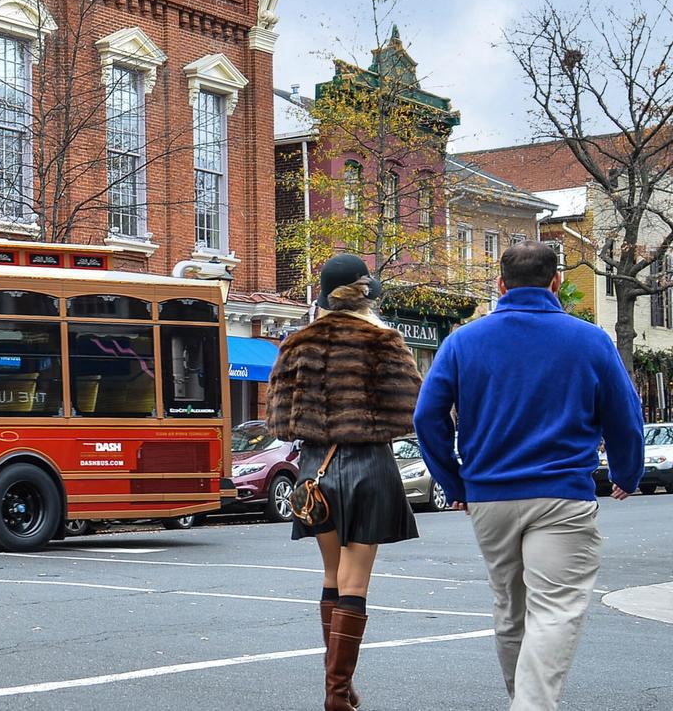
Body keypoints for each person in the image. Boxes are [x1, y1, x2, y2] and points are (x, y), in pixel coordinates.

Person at [415, 240, 644, 711]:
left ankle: (522, 700)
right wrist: (627, 471)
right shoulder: (590, 340)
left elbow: (427, 417)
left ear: (501, 285)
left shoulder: (462, 341)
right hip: (561, 493)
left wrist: (454, 482)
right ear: (556, 282)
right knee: (555, 609)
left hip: (489, 497)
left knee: (510, 609)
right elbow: (625, 416)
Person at [265, 253, 423, 711]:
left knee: (332, 576)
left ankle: (340, 686)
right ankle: (337, 693)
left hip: (315, 471)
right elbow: (412, 409)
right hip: (367, 466)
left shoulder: (297, 343)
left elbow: (279, 422)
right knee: (355, 582)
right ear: (365, 296)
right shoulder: (383, 340)